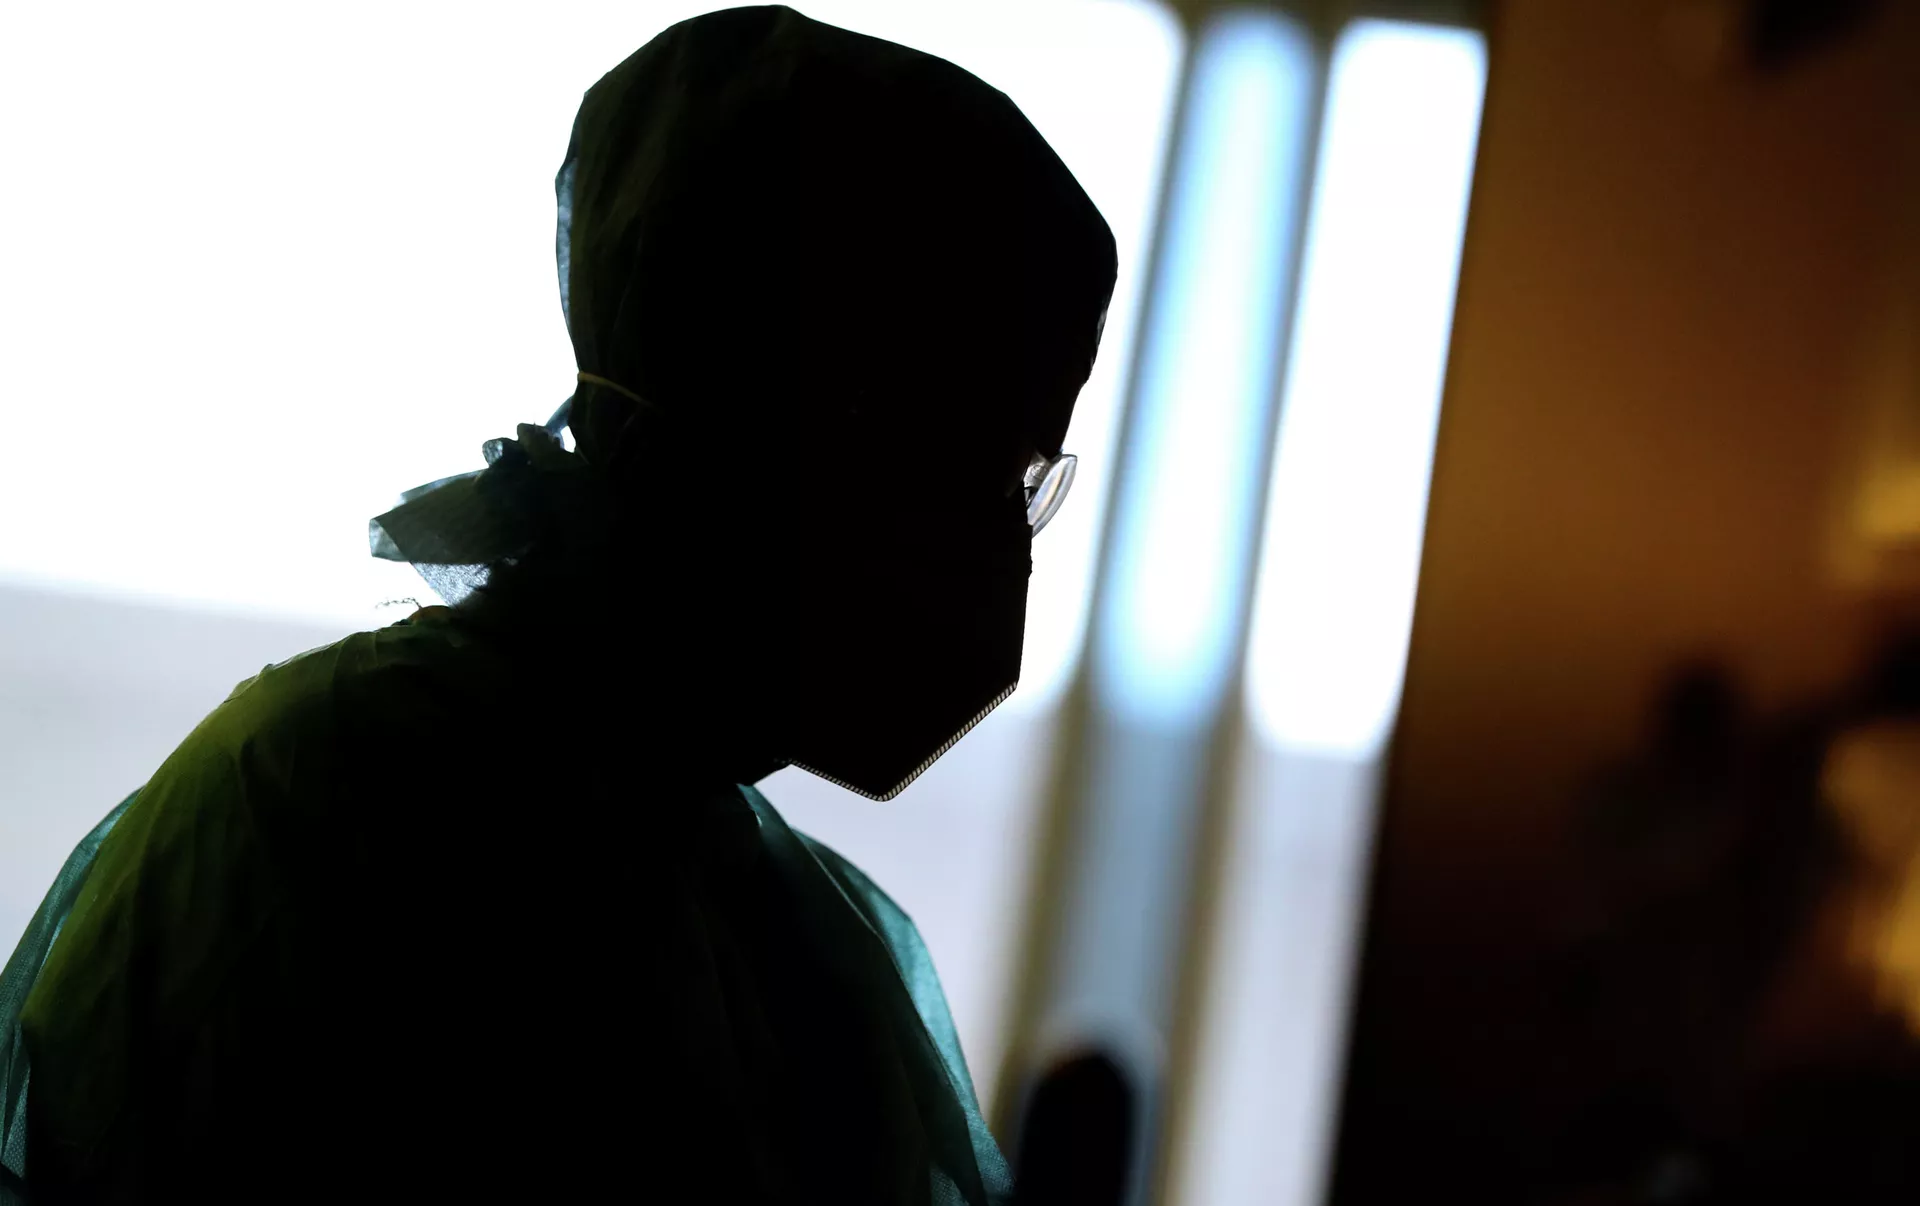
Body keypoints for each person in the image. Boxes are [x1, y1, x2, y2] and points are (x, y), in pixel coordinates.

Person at [0, 7, 1117, 1203]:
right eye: (966, 466)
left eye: (1023, 481)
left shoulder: (756, 918)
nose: (994, 550)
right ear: (770, 417)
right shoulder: (324, 814)